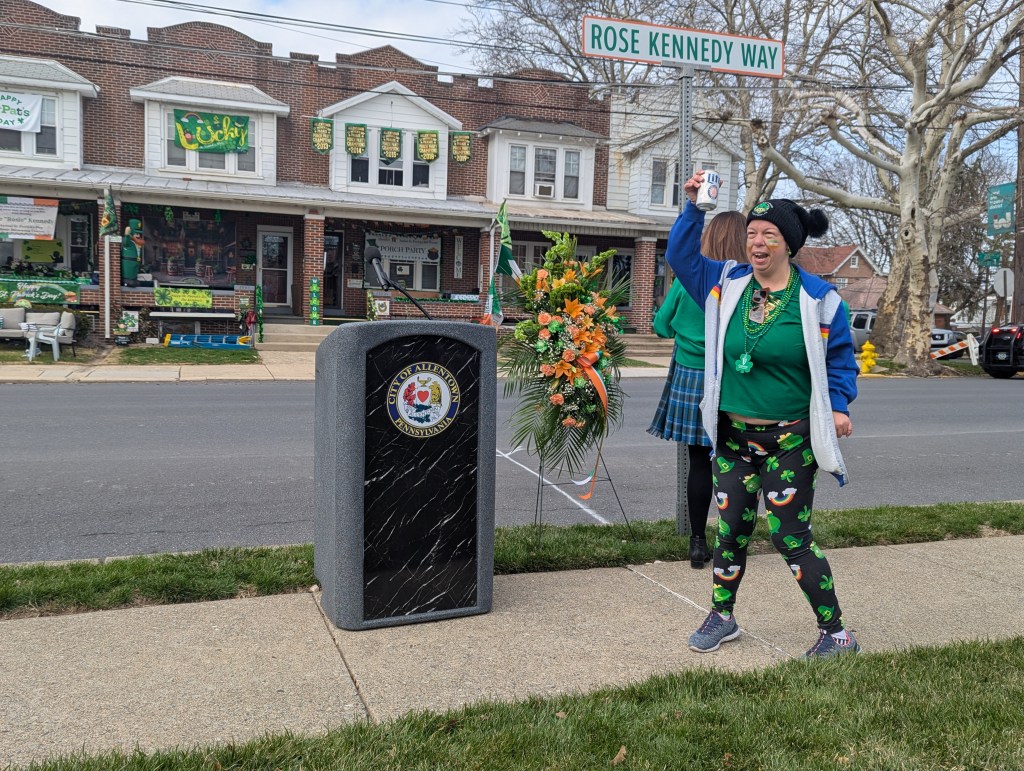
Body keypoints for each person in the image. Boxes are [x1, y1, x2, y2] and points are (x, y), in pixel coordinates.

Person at [666, 170, 860, 659]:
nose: (756, 242)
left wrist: (839, 406)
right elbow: (681, 258)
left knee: (790, 535)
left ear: (788, 244)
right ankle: (722, 616)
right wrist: (694, 209)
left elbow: (841, 361)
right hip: (733, 438)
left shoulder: (819, 300)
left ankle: (837, 634)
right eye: (752, 233)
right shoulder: (726, 283)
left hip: (790, 440)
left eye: (768, 234)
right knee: (730, 531)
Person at [648, 211, 747, 569]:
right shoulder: (744, 282)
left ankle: (697, 542)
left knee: (699, 463)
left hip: (692, 376)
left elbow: (661, 326)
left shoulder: (690, 280)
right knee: (736, 463)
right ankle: (732, 540)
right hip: (733, 377)